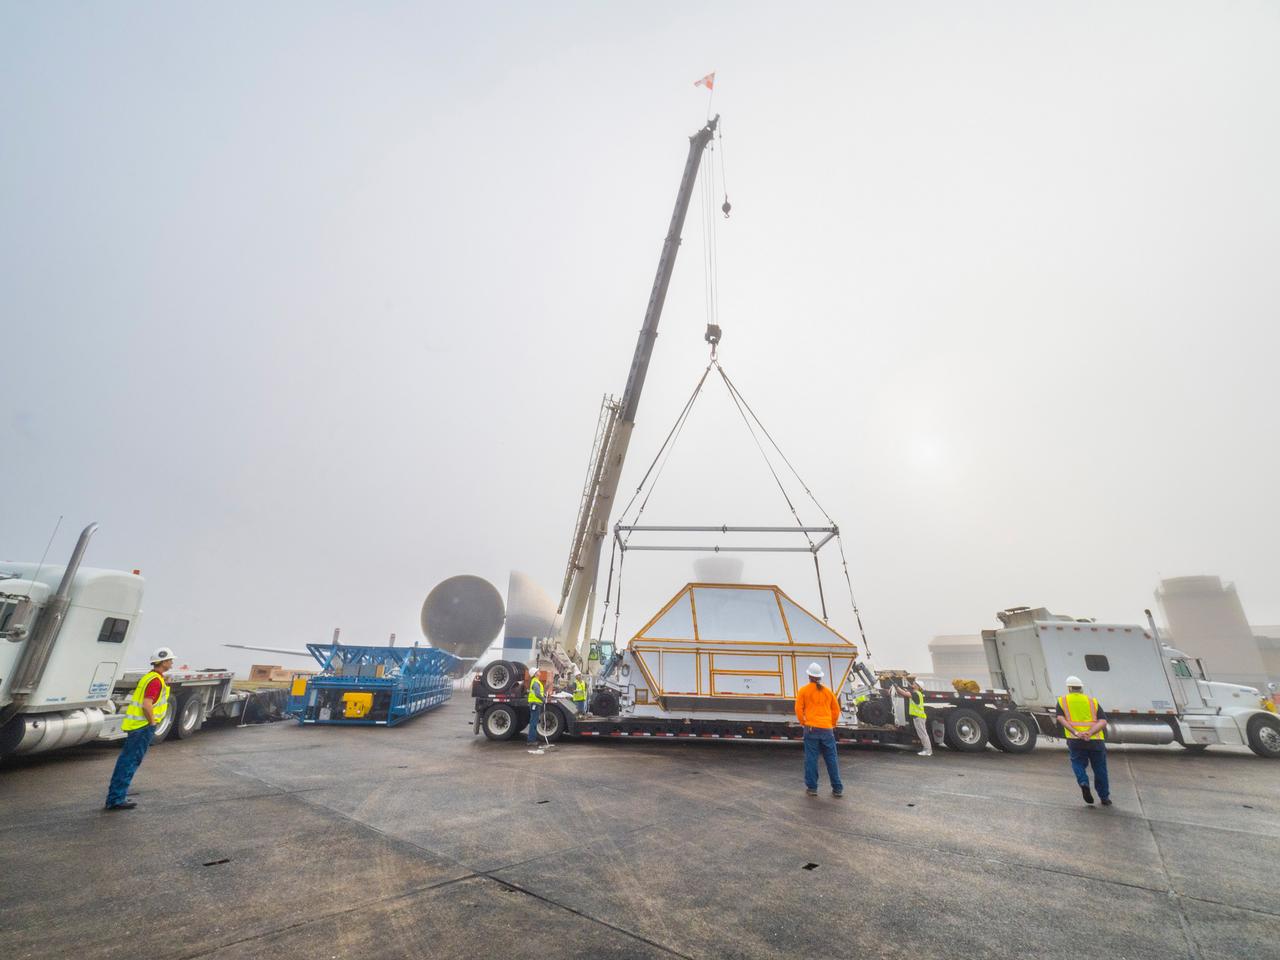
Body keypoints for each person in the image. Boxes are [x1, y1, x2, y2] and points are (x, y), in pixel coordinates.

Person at [104, 647, 174, 811]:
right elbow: (146, 704)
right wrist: (152, 723)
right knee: (130, 761)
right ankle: (116, 799)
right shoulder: (155, 681)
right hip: (142, 727)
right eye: (170, 660)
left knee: (127, 760)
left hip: (137, 726)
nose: (172, 662)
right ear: (163, 662)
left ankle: (116, 797)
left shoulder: (150, 677)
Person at [1056, 675, 1111, 806]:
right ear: (1081, 688)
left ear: (1069, 688)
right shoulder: (1092, 701)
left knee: (1078, 763)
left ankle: (1083, 782)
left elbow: (1060, 718)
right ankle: (1104, 798)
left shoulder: (1062, 701)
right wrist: (1090, 732)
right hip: (1095, 741)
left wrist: (1075, 732)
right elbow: (1103, 721)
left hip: (1075, 740)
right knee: (1100, 769)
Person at [794, 662, 844, 797]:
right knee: (831, 759)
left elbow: (798, 709)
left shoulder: (803, 691)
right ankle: (837, 788)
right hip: (827, 729)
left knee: (811, 758)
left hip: (811, 729)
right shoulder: (828, 692)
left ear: (809, 675)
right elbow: (836, 709)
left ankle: (812, 788)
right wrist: (832, 723)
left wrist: (803, 722)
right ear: (820, 676)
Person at [893, 678, 932, 756]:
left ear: (918, 686)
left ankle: (928, 750)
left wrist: (897, 687)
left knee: (923, 734)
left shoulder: (916, 694)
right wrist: (900, 690)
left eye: (915, 684)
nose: (913, 684)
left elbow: (904, 694)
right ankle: (927, 749)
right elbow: (905, 693)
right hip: (918, 717)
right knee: (922, 734)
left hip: (919, 717)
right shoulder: (916, 694)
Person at [527, 669, 546, 753]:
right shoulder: (535, 682)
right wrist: (543, 699)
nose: (539, 672)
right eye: (538, 671)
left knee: (534, 721)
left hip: (535, 703)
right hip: (535, 703)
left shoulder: (536, 681)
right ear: (535, 674)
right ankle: (531, 741)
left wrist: (543, 695)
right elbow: (538, 694)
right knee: (534, 722)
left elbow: (539, 692)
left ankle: (531, 739)